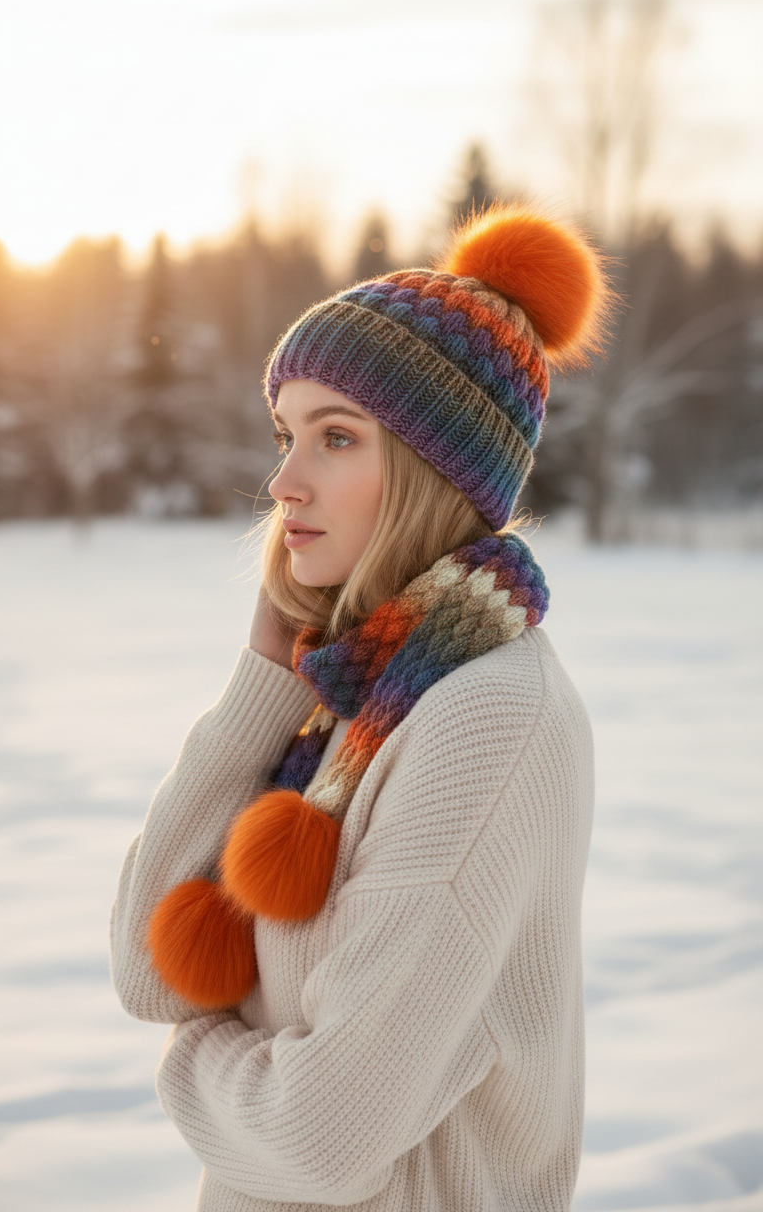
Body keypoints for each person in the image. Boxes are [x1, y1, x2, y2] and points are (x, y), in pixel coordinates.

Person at [110, 204, 609, 1211]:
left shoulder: (485, 717)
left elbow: (315, 1140)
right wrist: (263, 684)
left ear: (434, 471)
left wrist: (190, 1063)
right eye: (286, 434)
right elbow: (150, 972)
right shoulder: (347, 689)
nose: (282, 481)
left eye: (334, 438)